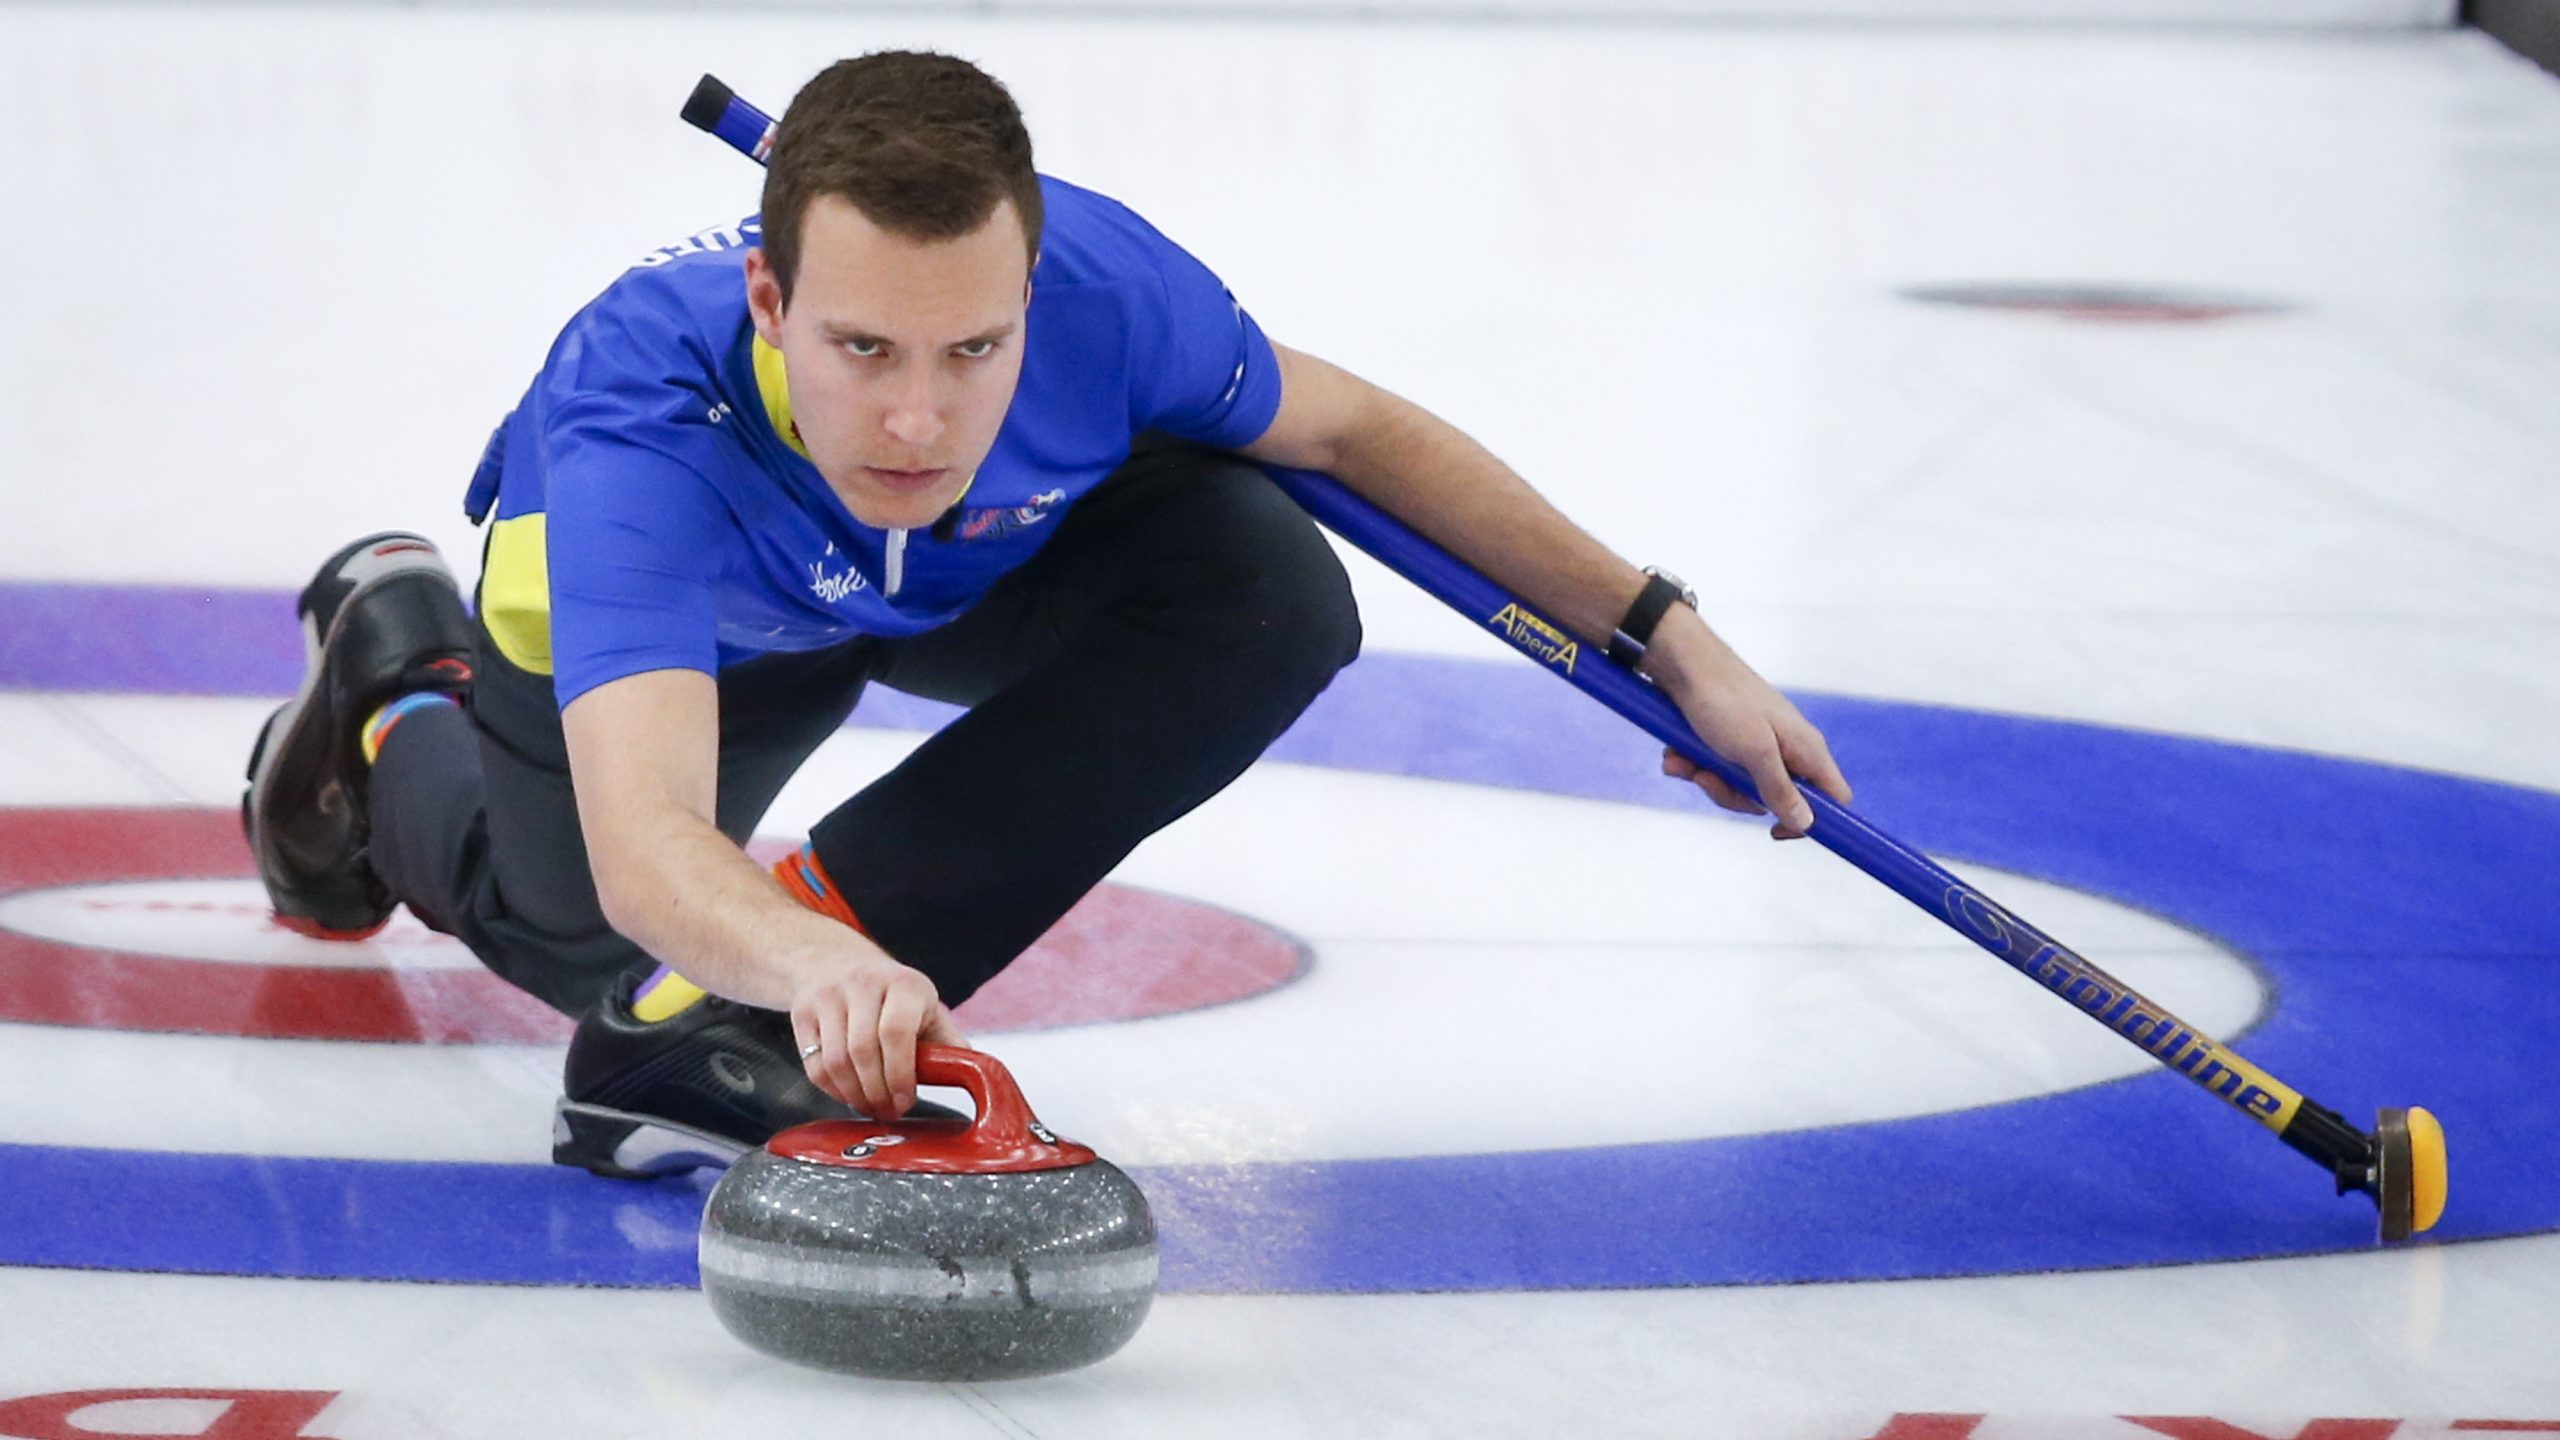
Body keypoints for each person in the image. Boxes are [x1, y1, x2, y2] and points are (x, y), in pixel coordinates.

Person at [242, 50, 1852, 1180]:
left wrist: (1670, 636)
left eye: (974, 353)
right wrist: (788, 947)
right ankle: (399, 685)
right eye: (863, 350)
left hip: (967, 577)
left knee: (1264, 580)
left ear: (1031, 298)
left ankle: (768, 1020)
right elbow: (654, 833)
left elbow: (1357, 438)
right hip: (710, 633)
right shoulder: (631, 438)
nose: (921, 424)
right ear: (768, 300)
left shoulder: (1107, 293)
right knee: (599, 935)